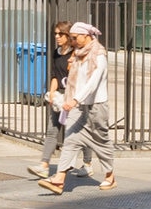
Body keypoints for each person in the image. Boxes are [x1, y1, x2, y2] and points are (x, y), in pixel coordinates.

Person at [40, 22, 115, 194]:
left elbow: (92, 83)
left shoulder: (99, 56)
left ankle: (110, 175)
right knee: (71, 139)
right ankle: (59, 179)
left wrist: (74, 100)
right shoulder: (78, 55)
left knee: (101, 141)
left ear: (86, 36)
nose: (72, 41)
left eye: (75, 38)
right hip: (78, 106)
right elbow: (75, 81)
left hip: (96, 106)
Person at [25, 21, 74, 180]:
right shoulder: (56, 53)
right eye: (55, 34)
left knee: (78, 132)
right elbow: (55, 76)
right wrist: (52, 94)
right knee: (52, 130)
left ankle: (87, 163)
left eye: (60, 34)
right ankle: (44, 165)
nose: (57, 37)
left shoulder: (75, 54)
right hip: (59, 95)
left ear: (68, 35)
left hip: (73, 96)